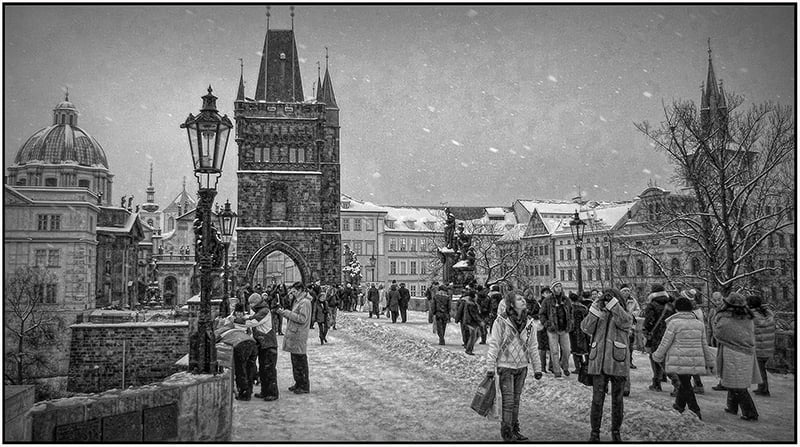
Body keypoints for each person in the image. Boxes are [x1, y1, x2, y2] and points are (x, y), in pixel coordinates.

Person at [485, 292, 542, 442]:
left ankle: (515, 429)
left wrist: (537, 368)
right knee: (509, 402)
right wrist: (490, 366)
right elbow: (494, 344)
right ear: (511, 303)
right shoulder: (501, 321)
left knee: (516, 400)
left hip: (522, 366)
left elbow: (533, 346)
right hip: (505, 365)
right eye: (519, 299)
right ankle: (507, 432)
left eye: (523, 298)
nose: (523, 300)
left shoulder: (529, 323)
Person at [581, 288, 632, 443]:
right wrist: (595, 309)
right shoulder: (599, 312)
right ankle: (594, 433)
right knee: (597, 400)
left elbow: (626, 323)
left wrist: (614, 305)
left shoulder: (622, 312)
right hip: (599, 361)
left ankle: (616, 433)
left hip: (618, 361)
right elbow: (586, 328)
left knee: (617, 400)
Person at [652, 296, 715, 420]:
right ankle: (679, 405)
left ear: (677, 309)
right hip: (695, 358)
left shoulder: (674, 323)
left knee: (685, 384)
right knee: (685, 382)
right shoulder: (699, 324)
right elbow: (704, 344)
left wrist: (657, 356)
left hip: (679, 358)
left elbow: (666, 342)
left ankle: (695, 410)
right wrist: (709, 360)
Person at [713, 292, 761, 421]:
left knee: (736, 383)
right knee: (734, 380)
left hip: (732, 352)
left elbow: (718, 333)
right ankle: (732, 406)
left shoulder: (726, 318)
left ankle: (750, 412)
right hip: (747, 352)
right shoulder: (748, 317)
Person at [214, 306, 258, 401]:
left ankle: (244, 393)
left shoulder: (219, 332)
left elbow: (214, 340)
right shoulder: (231, 326)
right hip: (252, 343)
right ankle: (249, 390)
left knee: (240, 370)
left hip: (240, 344)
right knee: (250, 368)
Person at [276, 282, 313, 394]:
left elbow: (302, 319)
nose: (293, 293)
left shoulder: (305, 302)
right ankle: (298, 382)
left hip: (299, 335)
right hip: (295, 334)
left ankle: (304, 385)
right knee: (295, 360)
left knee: (300, 361)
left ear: (301, 290)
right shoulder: (299, 301)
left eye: (294, 291)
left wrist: (287, 313)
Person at [643, 284, 677, 393]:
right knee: (667, 359)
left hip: (656, 335)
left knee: (656, 358)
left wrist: (647, 331)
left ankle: (671, 382)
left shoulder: (652, 305)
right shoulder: (671, 304)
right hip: (670, 334)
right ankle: (663, 381)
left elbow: (649, 321)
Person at [246, 292, 279, 401]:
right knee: (263, 369)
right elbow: (252, 318)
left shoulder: (264, 311)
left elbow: (253, 322)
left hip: (269, 344)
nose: (250, 305)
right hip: (263, 344)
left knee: (269, 369)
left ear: (255, 303)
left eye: (251, 303)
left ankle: (272, 393)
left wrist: (237, 320)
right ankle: (265, 391)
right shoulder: (260, 310)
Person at [539, 279, 573, 378]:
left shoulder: (566, 300)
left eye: (560, 286)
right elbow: (542, 314)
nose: (558, 288)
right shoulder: (547, 300)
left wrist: (570, 322)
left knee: (567, 350)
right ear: (553, 288)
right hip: (552, 329)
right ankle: (557, 370)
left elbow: (571, 312)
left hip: (564, 328)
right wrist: (547, 324)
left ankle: (564, 366)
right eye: (556, 287)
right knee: (554, 351)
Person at [748, 295, 776, 397]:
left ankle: (764, 389)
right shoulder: (768, 315)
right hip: (768, 346)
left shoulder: (752, 316)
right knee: (762, 368)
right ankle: (762, 387)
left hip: (759, 347)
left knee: (760, 370)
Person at [620, 284, 641, 369]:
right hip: (620, 325)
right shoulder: (618, 300)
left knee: (630, 345)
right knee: (621, 345)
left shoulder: (633, 301)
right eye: (624, 291)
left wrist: (632, 314)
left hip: (630, 325)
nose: (626, 292)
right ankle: (621, 361)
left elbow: (638, 309)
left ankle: (629, 361)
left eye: (628, 291)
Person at [569, 292, 589, 375]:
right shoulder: (584, 308)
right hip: (583, 331)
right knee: (585, 349)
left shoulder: (571, 308)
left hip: (573, 331)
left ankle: (578, 367)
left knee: (575, 350)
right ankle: (587, 366)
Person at [537, 287, 552, 374]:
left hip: (550, 327)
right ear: (542, 294)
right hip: (542, 327)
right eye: (546, 292)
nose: (548, 294)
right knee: (542, 348)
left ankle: (551, 366)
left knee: (551, 348)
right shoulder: (539, 303)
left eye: (549, 292)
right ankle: (542, 366)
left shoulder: (553, 302)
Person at [463, 289, 481, 355]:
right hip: (471, 322)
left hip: (471, 321)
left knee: (477, 335)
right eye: (476, 296)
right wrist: (480, 321)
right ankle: (469, 349)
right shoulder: (471, 304)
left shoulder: (472, 303)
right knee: (473, 336)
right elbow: (474, 315)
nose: (477, 297)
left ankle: (469, 348)